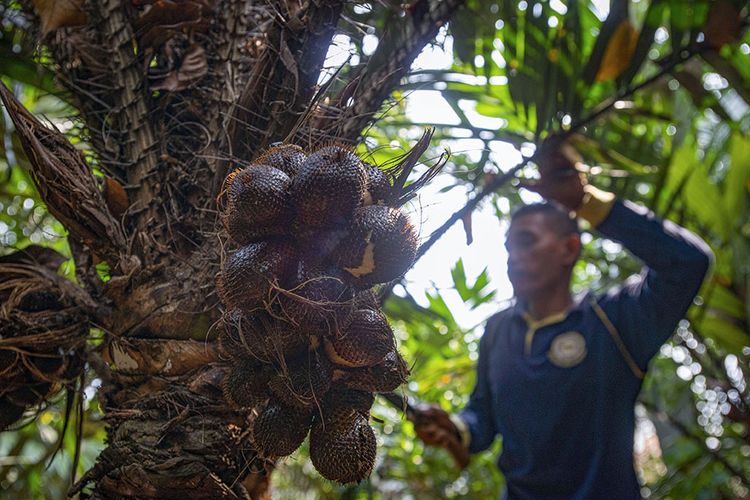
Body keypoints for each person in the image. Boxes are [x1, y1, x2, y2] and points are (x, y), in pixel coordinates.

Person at [413, 139, 713, 499]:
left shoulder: (613, 320)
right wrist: (456, 428)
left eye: (526, 242)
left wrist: (583, 201)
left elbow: (688, 263)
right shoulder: (498, 331)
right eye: (509, 247)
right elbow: (483, 418)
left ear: (569, 249)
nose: (512, 257)